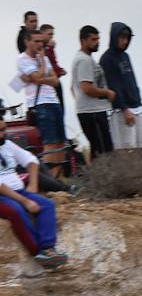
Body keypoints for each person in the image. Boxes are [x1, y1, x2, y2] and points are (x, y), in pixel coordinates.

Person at [0, 121, 67, 268]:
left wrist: (33, 184)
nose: (4, 133)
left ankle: (48, 248)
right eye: (0, 130)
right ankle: (37, 251)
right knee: (15, 211)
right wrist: (25, 201)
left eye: (4, 129)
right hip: (3, 195)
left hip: (18, 191)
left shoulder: (7, 145)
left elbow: (31, 160)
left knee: (47, 205)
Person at [17, 29, 67, 176]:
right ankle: (50, 181)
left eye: (41, 41)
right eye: (36, 41)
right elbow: (38, 77)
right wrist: (42, 63)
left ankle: (58, 180)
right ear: (27, 42)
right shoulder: (22, 59)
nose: (40, 45)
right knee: (50, 143)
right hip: (41, 104)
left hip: (54, 101)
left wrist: (37, 77)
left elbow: (55, 80)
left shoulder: (42, 57)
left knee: (60, 143)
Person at [100, 22, 142, 149]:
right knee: (128, 149)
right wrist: (124, 109)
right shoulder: (107, 59)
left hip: (137, 106)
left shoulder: (125, 56)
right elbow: (113, 85)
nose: (125, 41)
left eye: (127, 38)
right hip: (122, 110)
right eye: (122, 37)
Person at [71, 25, 114, 158]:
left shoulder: (87, 59)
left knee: (101, 150)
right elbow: (86, 88)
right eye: (93, 39)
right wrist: (107, 93)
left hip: (93, 110)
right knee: (103, 152)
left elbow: (72, 87)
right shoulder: (83, 60)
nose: (97, 42)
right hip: (92, 112)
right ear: (83, 41)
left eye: (98, 39)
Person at [39, 24, 67, 106]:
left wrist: (59, 70)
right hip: (48, 83)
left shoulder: (47, 47)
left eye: (52, 35)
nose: (51, 37)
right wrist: (50, 48)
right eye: (49, 34)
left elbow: (53, 63)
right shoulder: (42, 49)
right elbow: (49, 62)